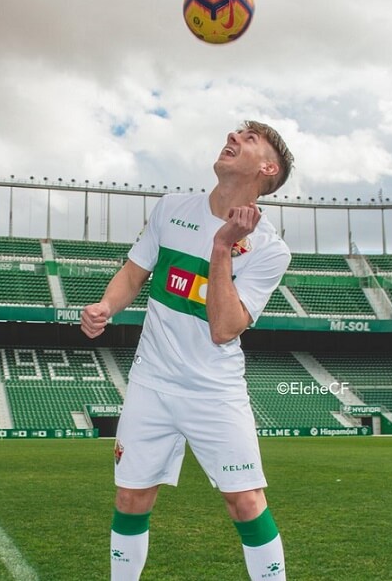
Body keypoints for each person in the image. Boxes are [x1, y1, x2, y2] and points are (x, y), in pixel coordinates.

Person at [81, 120, 294, 580]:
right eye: (235, 133)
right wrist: (105, 306)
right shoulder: (171, 209)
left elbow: (224, 329)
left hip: (213, 390)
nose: (233, 138)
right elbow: (134, 273)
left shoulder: (270, 249)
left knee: (245, 502)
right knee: (131, 497)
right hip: (151, 382)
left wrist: (221, 249)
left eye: (249, 138)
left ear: (267, 168)